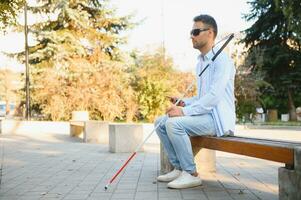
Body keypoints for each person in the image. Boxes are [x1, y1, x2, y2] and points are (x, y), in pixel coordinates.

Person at [155, 14, 236, 189]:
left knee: (174, 124)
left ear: (210, 33)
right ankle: (179, 168)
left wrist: (183, 112)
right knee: (160, 122)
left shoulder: (222, 60)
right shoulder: (200, 62)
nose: (192, 36)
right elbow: (202, 98)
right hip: (204, 115)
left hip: (218, 120)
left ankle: (190, 173)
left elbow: (214, 97)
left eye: (196, 31)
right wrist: (184, 103)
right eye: (191, 32)